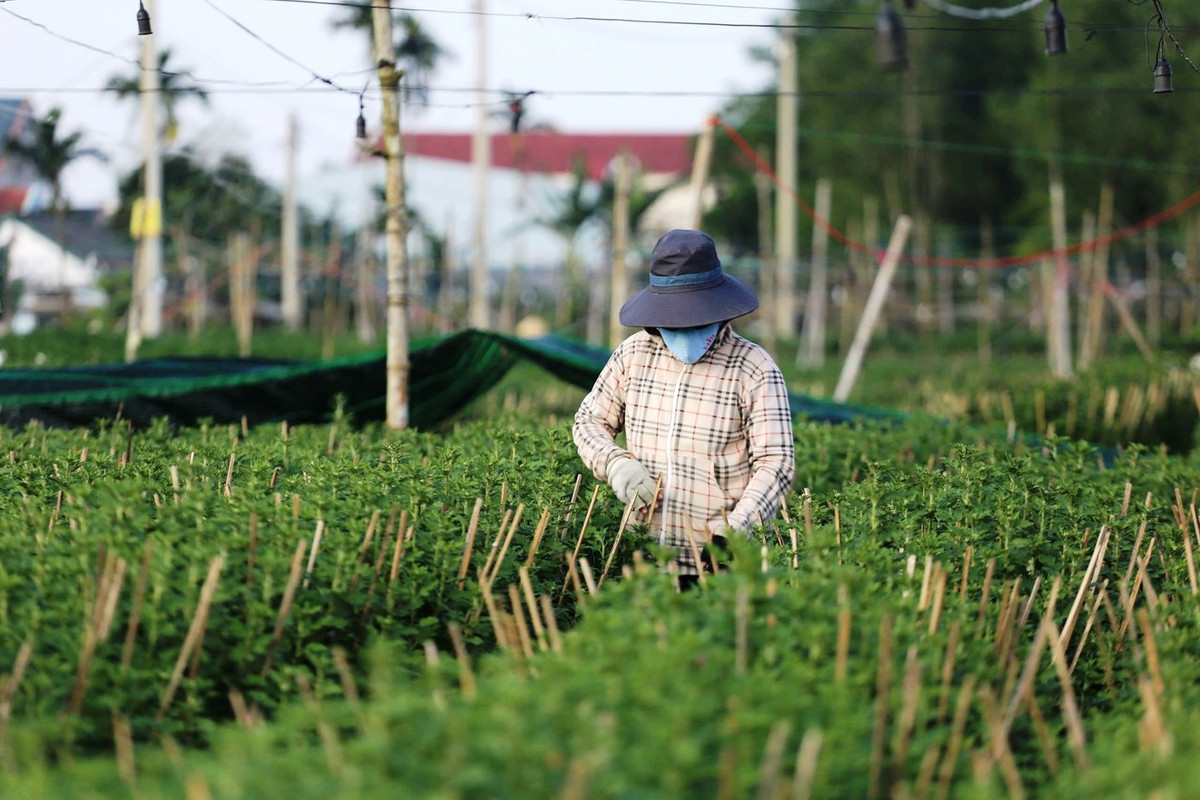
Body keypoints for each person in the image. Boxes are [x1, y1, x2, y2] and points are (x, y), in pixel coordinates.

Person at [573, 229, 796, 587]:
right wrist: (616, 465)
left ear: (719, 310)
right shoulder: (634, 355)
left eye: (695, 320)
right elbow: (589, 421)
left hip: (719, 562)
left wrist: (733, 535)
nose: (684, 330)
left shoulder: (754, 367)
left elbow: (777, 463)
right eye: (674, 321)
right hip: (643, 556)